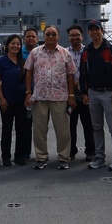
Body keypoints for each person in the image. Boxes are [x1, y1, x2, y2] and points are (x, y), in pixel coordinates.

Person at [24, 26, 77, 170]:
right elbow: (28, 72)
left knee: (63, 131)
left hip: (60, 96)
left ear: (58, 36)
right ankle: (41, 157)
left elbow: (70, 75)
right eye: (48, 34)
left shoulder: (65, 54)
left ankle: (63, 157)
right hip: (40, 96)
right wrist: (28, 93)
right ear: (44, 36)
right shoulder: (35, 53)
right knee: (39, 130)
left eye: (54, 34)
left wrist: (71, 95)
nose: (51, 37)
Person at [80, 20, 112, 171]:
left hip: (108, 93)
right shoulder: (86, 51)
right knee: (96, 127)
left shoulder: (111, 49)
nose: (94, 32)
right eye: (91, 30)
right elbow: (83, 74)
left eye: (96, 29)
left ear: (101, 31)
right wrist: (84, 92)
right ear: (89, 32)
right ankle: (100, 157)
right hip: (93, 93)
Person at [0, 34, 31, 166]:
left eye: (18, 44)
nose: (15, 46)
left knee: (21, 129)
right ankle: (5, 156)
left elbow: (27, 79)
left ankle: (19, 155)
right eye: (13, 43)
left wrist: (28, 95)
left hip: (21, 100)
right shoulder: (1, 61)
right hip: (7, 100)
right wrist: (1, 98)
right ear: (7, 45)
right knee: (7, 129)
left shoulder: (23, 61)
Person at [66, 24, 95, 162]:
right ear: (68, 37)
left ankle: (91, 151)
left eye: (77, 35)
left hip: (85, 96)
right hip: (69, 98)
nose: (74, 37)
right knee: (70, 125)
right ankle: (71, 151)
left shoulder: (89, 52)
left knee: (88, 125)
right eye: (72, 35)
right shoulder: (64, 53)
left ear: (82, 36)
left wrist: (85, 89)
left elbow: (93, 73)